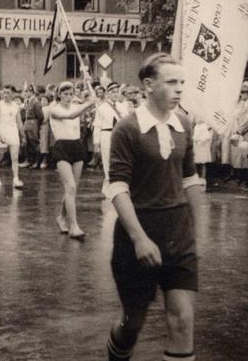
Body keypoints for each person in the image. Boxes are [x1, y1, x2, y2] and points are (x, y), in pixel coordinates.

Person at [105, 53, 205, 361]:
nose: (179, 89)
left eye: (182, 83)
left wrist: (198, 233)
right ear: (148, 85)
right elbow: (118, 188)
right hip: (138, 234)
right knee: (133, 322)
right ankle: (118, 351)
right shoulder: (127, 128)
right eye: (171, 82)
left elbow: (190, 179)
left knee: (182, 319)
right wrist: (139, 239)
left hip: (178, 233)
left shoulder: (184, 124)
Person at [49, 80, 97, 239]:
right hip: (62, 147)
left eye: (71, 94)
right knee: (70, 186)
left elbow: (87, 109)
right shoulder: (53, 109)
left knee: (72, 188)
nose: (68, 97)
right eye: (65, 94)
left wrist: (92, 96)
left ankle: (61, 217)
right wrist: (89, 103)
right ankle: (74, 226)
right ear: (59, 94)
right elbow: (70, 115)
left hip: (77, 146)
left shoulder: (77, 106)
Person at [0, 85, 25, 188]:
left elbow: (19, 122)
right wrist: (0, 134)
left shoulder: (16, 106)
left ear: (13, 94)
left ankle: (16, 179)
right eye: (4, 93)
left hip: (13, 133)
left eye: (8, 93)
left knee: (15, 158)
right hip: (0, 132)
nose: (5, 95)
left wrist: (23, 136)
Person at [97, 82, 123, 195]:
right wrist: (96, 142)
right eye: (113, 92)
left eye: (117, 92)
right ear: (107, 93)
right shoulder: (102, 107)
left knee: (118, 160)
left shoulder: (122, 106)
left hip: (119, 136)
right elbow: (97, 125)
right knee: (107, 160)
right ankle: (108, 187)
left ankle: (116, 186)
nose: (115, 94)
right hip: (106, 134)